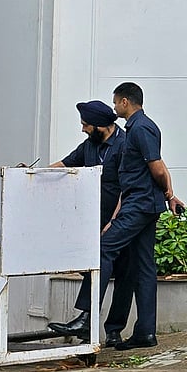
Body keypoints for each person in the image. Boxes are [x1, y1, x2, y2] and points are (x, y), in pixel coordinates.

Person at [101, 82, 185, 350]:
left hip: (140, 205)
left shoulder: (141, 128)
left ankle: (86, 315)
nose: (114, 107)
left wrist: (168, 193)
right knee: (144, 267)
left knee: (103, 249)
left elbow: (157, 167)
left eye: (116, 102)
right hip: (142, 203)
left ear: (126, 101)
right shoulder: (137, 128)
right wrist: (168, 196)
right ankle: (145, 333)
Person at [47, 100, 135, 345]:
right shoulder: (89, 147)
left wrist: (115, 219)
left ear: (99, 126)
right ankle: (86, 321)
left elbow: (127, 185)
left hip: (122, 217)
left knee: (125, 273)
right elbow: (64, 165)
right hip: (96, 219)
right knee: (96, 263)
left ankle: (113, 330)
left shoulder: (124, 144)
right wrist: (30, 175)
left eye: (86, 125)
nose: (83, 129)